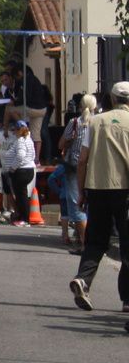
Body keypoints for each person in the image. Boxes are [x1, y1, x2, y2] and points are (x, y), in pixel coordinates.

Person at [67, 81, 129, 330]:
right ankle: (126, 299)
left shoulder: (95, 122)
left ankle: (83, 280)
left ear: (112, 99)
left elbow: (82, 160)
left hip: (98, 187)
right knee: (127, 244)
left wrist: (82, 191)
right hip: (125, 190)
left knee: (96, 240)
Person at [59, 95, 96, 250]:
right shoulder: (98, 122)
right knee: (93, 204)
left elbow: (60, 144)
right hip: (94, 166)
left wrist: (71, 141)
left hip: (74, 165)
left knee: (76, 204)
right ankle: (90, 240)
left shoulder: (74, 122)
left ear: (80, 106)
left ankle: (84, 241)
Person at [4, 120, 37, 224]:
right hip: (28, 169)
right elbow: (32, 155)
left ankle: (24, 219)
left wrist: (13, 168)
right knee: (22, 195)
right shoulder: (29, 140)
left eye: (14, 130)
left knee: (21, 196)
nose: (13, 132)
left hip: (21, 171)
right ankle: (22, 217)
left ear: (19, 130)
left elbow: (20, 155)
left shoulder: (21, 141)